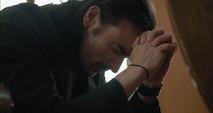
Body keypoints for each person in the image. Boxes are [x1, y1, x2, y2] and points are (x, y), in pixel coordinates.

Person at [0, 0, 177, 113]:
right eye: (117, 49)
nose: (116, 68)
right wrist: (138, 69)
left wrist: (149, 86)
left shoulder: (90, 67)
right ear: (91, 17)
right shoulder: (18, 24)